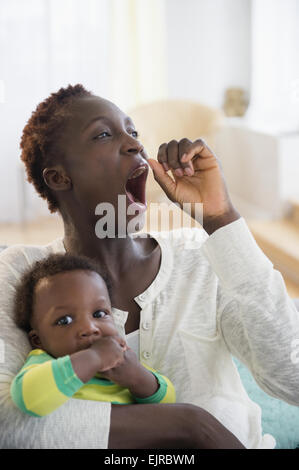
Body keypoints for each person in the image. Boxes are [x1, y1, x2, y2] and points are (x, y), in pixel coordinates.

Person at [0, 84, 298, 449]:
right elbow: (7, 424)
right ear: (60, 177)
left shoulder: (201, 257)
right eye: (104, 135)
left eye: (134, 132)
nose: (135, 145)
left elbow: (293, 379)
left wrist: (221, 219)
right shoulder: (24, 274)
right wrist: (189, 424)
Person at [10, 253, 176, 417]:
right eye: (65, 320)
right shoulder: (44, 364)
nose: (89, 328)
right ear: (38, 340)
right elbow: (29, 399)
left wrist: (137, 377)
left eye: (99, 314)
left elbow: (169, 402)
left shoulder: (122, 363)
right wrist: (94, 358)